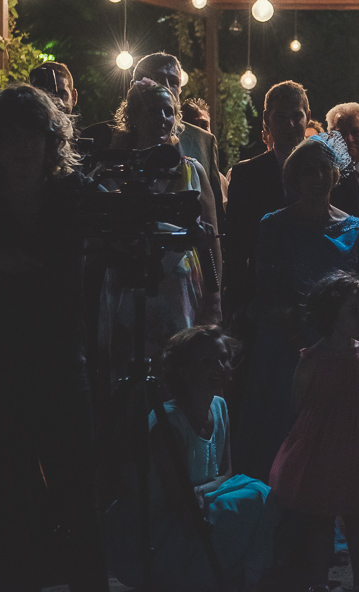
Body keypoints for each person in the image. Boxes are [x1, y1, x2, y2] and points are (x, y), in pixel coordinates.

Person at [0, 85, 106, 590]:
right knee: (8, 497)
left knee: (78, 491)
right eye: (10, 138)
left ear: (49, 141)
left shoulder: (73, 193)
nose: (22, 148)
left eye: (32, 137)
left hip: (61, 360)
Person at [233, 133, 359, 481]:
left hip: (339, 348)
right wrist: (304, 344)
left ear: (336, 173)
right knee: (283, 443)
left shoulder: (354, 227)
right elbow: (267, 294)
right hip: (285, 351)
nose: (317, 177)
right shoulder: (275, 225)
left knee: (332, 450)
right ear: (294, 177)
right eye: (307, 170)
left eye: (324, 168)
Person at [104, 325, 278, 591]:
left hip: (199, 501)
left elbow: (227, 472)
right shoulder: (170, 422)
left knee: (258, 494)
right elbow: (176, 499)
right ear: (184, 371)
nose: (220, 367)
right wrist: (200, 494)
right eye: (207, 362)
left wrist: (201, 491)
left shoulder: (219, 405)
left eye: (223, 359)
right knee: (244, 500)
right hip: (160, 523)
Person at [97, 79, 223, 384]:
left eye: (169, 111)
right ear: (134, 118)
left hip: (181, 292)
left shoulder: (192, 169)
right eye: (154, 111)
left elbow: (212, 238)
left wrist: (215, 300)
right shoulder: (113, 171)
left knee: (180, 376)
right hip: (128, 288)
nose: (163, 119)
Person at [269, 272, 359, 592]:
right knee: (321, 518)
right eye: (353, 312)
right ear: (330, 314)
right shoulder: (313, 359)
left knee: (358, 517)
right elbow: (299, 403)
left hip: (357, 444)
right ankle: (319, 582)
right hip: (323, 448)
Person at [225, 80, 310, 319]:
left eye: (296, 116)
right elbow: (235, 247)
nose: (290, 125)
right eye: (280, 117)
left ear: (308, 116)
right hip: (264, 297)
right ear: (266, 119)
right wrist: (239, 304)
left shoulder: (329, 168)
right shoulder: (246, 175)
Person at [83, 53, 221, 192]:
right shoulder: (99, 135)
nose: (167, 87)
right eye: (158, 78)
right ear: (134, 87)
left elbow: (214, 207)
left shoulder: (203, 141)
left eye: (173, 82)